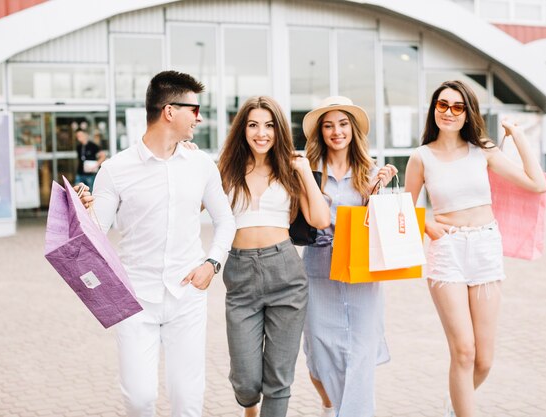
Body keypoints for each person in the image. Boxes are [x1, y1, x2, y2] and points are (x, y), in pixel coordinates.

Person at [77, 70, 236, 417]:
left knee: (187, 398)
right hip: (134, 298)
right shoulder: (115, 169)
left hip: (187, 295)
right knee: (139, 398)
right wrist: (82, 210)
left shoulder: (201, 165)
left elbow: (226, 220)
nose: (199, 117)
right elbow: (94, 235)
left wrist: (212, 264)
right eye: (193, 109)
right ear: (169, 110)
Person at [404, 80, 546, 417]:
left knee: (484, 360)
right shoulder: (421, 156)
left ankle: (455, 407)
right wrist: (431, 227)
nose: (449, 112)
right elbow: (407, 207)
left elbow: (537, 184)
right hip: (447, 251)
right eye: (443, 105)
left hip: (484, 247)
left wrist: (518, 133)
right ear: (434, 109)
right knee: (464, 351)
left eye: (457, 106)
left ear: (468, 113)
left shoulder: (482, 149)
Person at [217, 96, 331, 417]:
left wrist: (306, 172)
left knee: (279, 379)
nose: (261, 133)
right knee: (245, 380)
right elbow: (187, 206)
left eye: (269, 125)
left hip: (285, 273)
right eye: (253, 125)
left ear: (279, 130)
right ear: (243, 130)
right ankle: (249, 406)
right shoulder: (225, 170)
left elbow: (321, 220)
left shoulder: (291, 170)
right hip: (240, 273)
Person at [300, 96, 397, 417]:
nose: (336, 132)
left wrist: (376, 193)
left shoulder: (369, 171)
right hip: (319, 269)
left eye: (342, 124)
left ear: (353, 130)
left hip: (361, 271)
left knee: (360, 352)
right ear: (320, 133)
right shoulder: (310, 171)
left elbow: (376, 223)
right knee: (320, 350)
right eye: (328, 126)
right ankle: (332, 406)